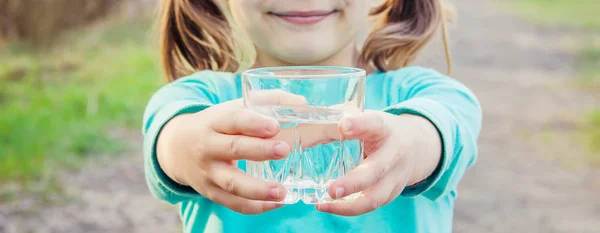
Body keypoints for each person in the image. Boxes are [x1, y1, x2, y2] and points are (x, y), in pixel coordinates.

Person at [142, 0, 482, 232]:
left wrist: (411, 142)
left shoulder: (423, 94)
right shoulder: (202, 100)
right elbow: (169, 134)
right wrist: (184, 145)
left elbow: (444, 130)